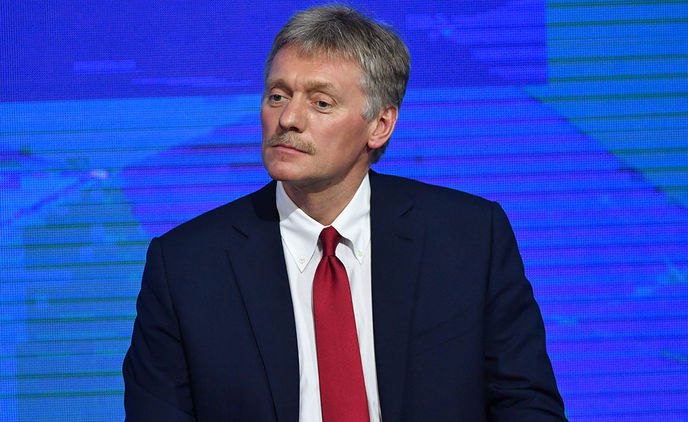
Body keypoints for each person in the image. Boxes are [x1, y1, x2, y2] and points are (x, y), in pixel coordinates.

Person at [123, 5, 566, 422]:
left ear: (380, 125)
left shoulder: (469, 239)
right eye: (277, 96)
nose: (288, 118)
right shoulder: (186, 266)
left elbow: (526, 405)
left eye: (320, 102)